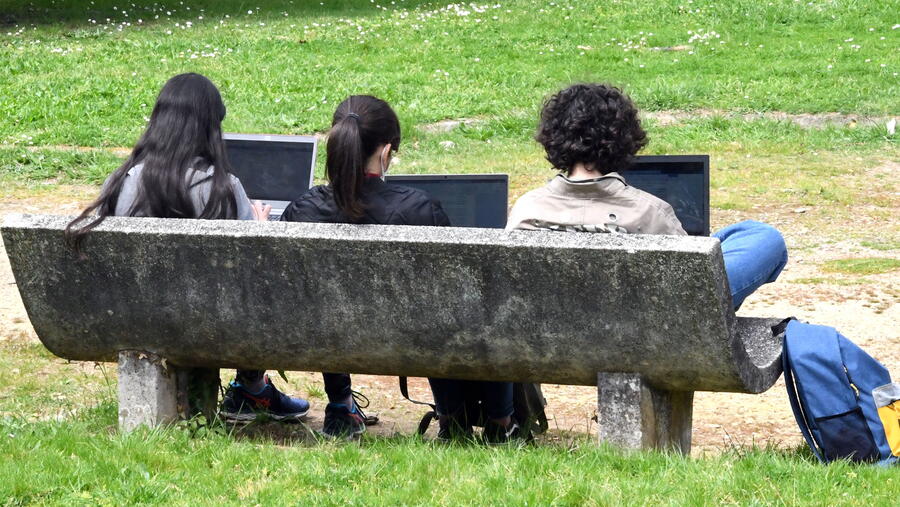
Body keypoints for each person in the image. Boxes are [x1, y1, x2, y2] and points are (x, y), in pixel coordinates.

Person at [64, 72, 310, 423]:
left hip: (136, 318)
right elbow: (254, 271)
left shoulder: (123, 182)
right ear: (211, 128)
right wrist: (259, 228)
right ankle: (252, 387)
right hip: (211, 327)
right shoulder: (222, 188)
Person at [281, 95, 518, 441]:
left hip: (330, 336)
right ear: (386, 151)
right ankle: (485, 422)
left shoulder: (303, 209)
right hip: (413, 341)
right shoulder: (419, 210)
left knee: (331, 310)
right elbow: (463, 292)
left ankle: (341, 405)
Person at [507, 83, 788, 310]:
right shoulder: (650, 211)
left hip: (551, 334)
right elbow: (690, 288)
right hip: (637, 339)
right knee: (760, 237)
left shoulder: (527, 209)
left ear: (552, 138)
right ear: (626, 141)